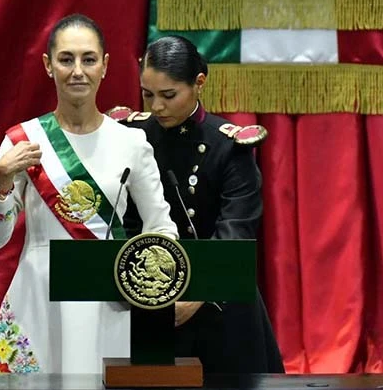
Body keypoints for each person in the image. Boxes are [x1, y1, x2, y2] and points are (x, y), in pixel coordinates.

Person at [0, 14, 179, 374]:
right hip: (39, 296)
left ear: (104, 66)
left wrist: (145, 281)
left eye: (88, 59)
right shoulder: (22, 140)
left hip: (108, 301)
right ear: (48, 65)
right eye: (66, 59)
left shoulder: (131, 142)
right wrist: (3, 177)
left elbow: (162, 228)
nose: (77, 70)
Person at [115, 35, 285, 373]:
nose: (156, 108)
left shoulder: (228, 145)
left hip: (219, 301)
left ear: (199, 83)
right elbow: (126, 222)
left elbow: (236, 229)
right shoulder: (131, 138)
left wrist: (196, 294)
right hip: (152, 298)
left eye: (168, 95)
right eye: (147, 95)